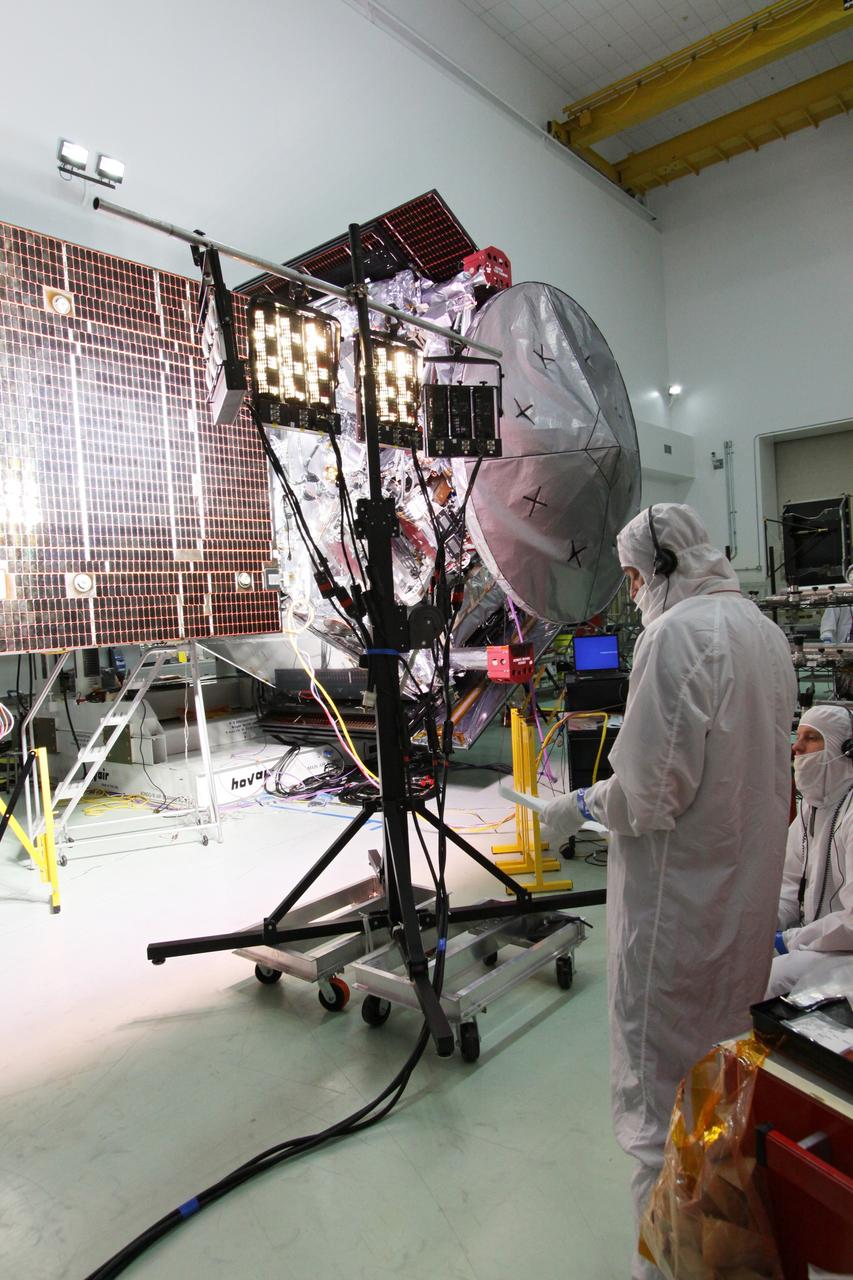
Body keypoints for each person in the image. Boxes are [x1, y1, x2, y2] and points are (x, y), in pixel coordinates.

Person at [542, 504, 797, 1280]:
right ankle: (717, 1256)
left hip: (675, 919)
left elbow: (648, 796)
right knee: (721, 1100)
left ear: (655, 568)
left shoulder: (675, 636)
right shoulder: (764, 634)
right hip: (740, 908)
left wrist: (579, 804)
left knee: (659, 1118)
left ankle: (664, 1268)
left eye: (630, 579)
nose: (631, 594)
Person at [766, 703, 853, 999]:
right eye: (798, 736)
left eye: (811, 738)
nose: (796, 747)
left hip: (845, 948)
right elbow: (788, 884)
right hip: (815, 940)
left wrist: (790, 940)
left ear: (845, 750)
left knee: (767, 979)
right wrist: (762, 927)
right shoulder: (810, 808)